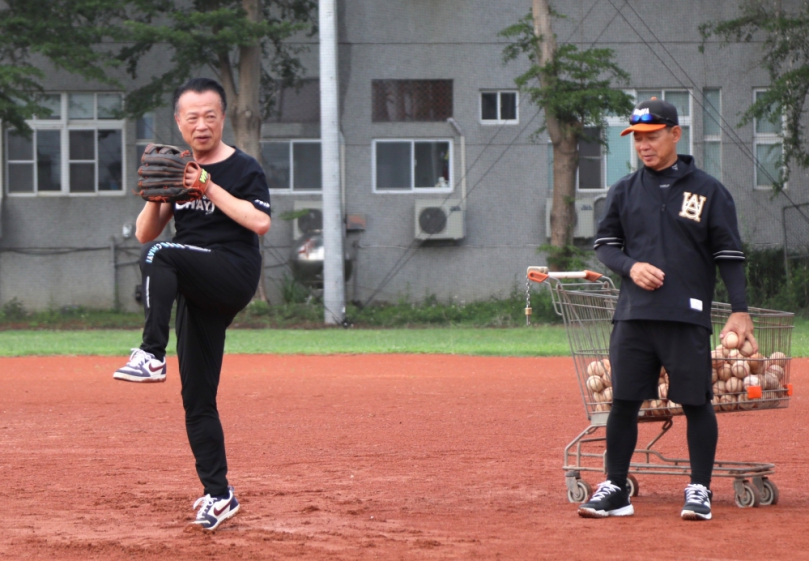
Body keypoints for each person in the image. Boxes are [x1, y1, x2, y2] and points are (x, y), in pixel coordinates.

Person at [579, 98, 757, 521]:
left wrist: (739, 309)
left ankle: (699, 489)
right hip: (634, 316)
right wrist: (631, 266)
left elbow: (729, 253)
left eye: (652, 136)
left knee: (696, 403)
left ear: (675, 134)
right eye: (637, 138)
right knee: (623, 402)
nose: (643, 145)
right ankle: (615, 489)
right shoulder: (624, 190)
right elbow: (606, 245)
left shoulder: (709, 190)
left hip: (685, 316)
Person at [113, 77, 271, 531]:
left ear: (222, 119)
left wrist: (206, 185)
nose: (202, 125)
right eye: (192, 117)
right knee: (197, 399)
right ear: (179, 122)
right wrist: (158, 196)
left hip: (233, 270)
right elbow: (145, 233)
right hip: (197, 283)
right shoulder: (176, 168)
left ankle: (151, 353)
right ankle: (219, 495)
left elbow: (259, 222)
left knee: (160, 255)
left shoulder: (243, 167)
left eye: (210, 116)